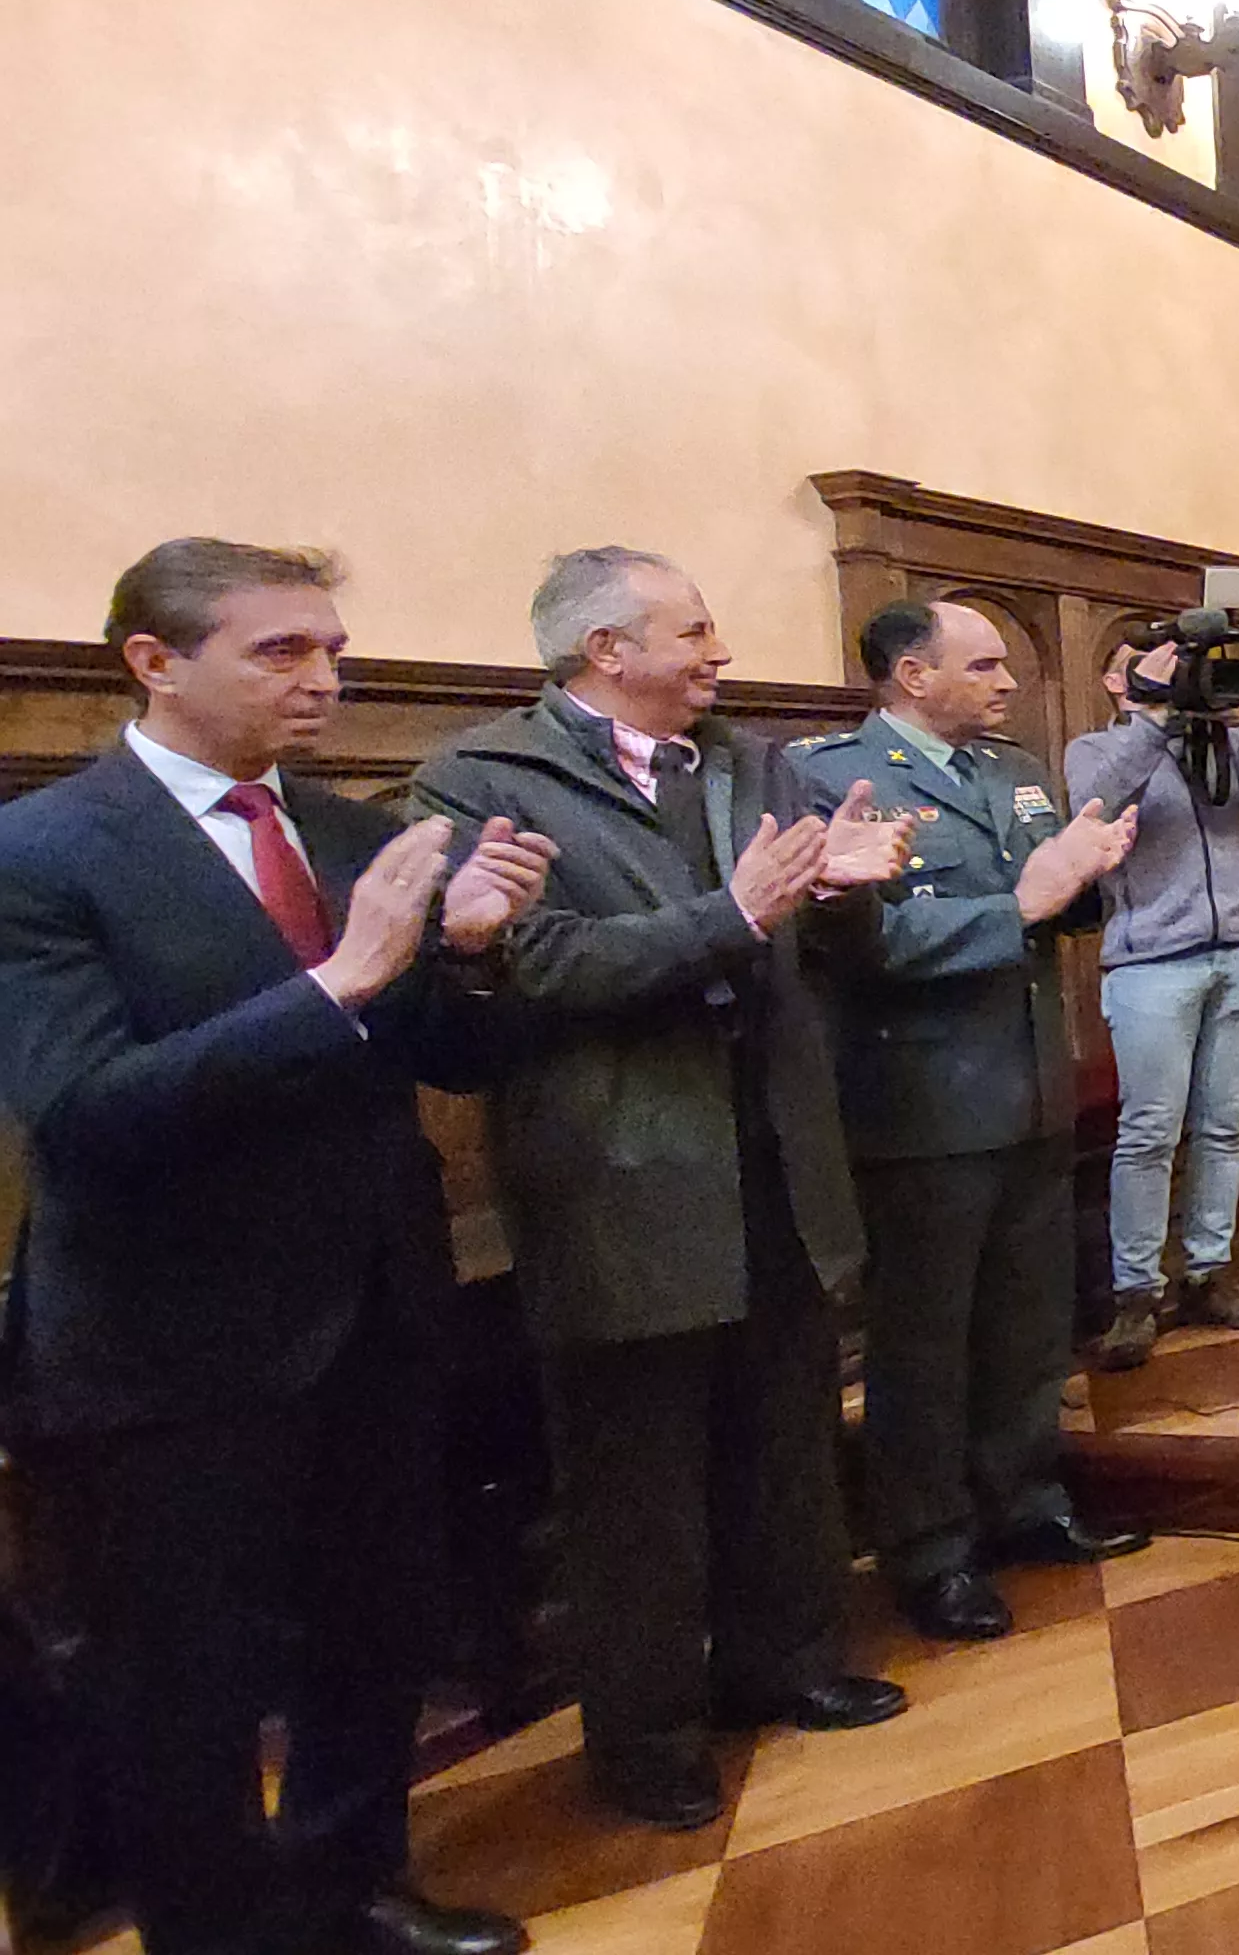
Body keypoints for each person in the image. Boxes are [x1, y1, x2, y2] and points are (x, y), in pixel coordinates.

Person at [0, 540, 550, 1955]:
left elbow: (449, 1057)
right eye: (281, 652)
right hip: (168, 1340)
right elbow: (83, 1117)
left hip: (370, 1303)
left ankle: (356, 1889)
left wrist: (474, 953)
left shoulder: (356, 835)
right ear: (154, 661)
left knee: (368, 1633)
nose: (325, 679)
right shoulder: (45, 851)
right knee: (183, 1680)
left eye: (331, 649)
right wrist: (340, 983)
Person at [412, 549, 920, 1833]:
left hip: (775, 1158)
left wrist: (859, 890)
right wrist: (735, 915)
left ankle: (788, 1661)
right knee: (635, 1483)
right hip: (620, 1174)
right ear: (604, 652)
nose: (719, 650)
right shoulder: (482, 779)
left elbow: (814, 938)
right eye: (693, 629)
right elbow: (536, 961)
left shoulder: (749, 762)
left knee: (782, 1437)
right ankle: (647, 1736)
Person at [793, 599, 1150, 1642]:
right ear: (911, 675)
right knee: (926, 1345)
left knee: (1028, 1325)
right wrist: (1027, 902)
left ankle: (1025, 1502)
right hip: (922, 1108)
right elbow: (857, 947)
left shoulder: (1014, 771)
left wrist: (1087, 876)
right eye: (984, 664)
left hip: (1032, 1089)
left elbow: (1054, 905)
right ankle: (931, 1550)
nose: (1008, 682)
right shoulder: (831, 780)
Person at [1069, 635, 1239, 1370]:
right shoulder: (1096, 748)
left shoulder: (1223, 748)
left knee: (1223, 1125)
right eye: (1147, 669)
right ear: (1112, 680)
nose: (1171, 681)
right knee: (1149, 1131)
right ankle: (1134, 1296)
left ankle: (1210, 1272)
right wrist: (1154, 716)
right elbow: (1095, 801)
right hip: (1150, 963)